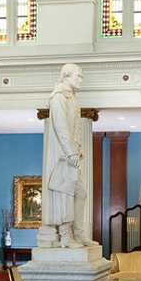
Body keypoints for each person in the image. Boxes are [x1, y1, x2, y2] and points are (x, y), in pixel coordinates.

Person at [40, 63, 88, 248]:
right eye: (78, 76)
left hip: (73, 153)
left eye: (81, 77)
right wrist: (70, 151)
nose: (80, 80)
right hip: (64, 156)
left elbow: (73, 127)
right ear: (66, 76)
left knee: (80, 193)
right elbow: (61, 126)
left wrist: (78, 148)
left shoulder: (71, 96)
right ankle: (66, 237)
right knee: (64, 194)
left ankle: (79, 233)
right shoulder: (59, 96)